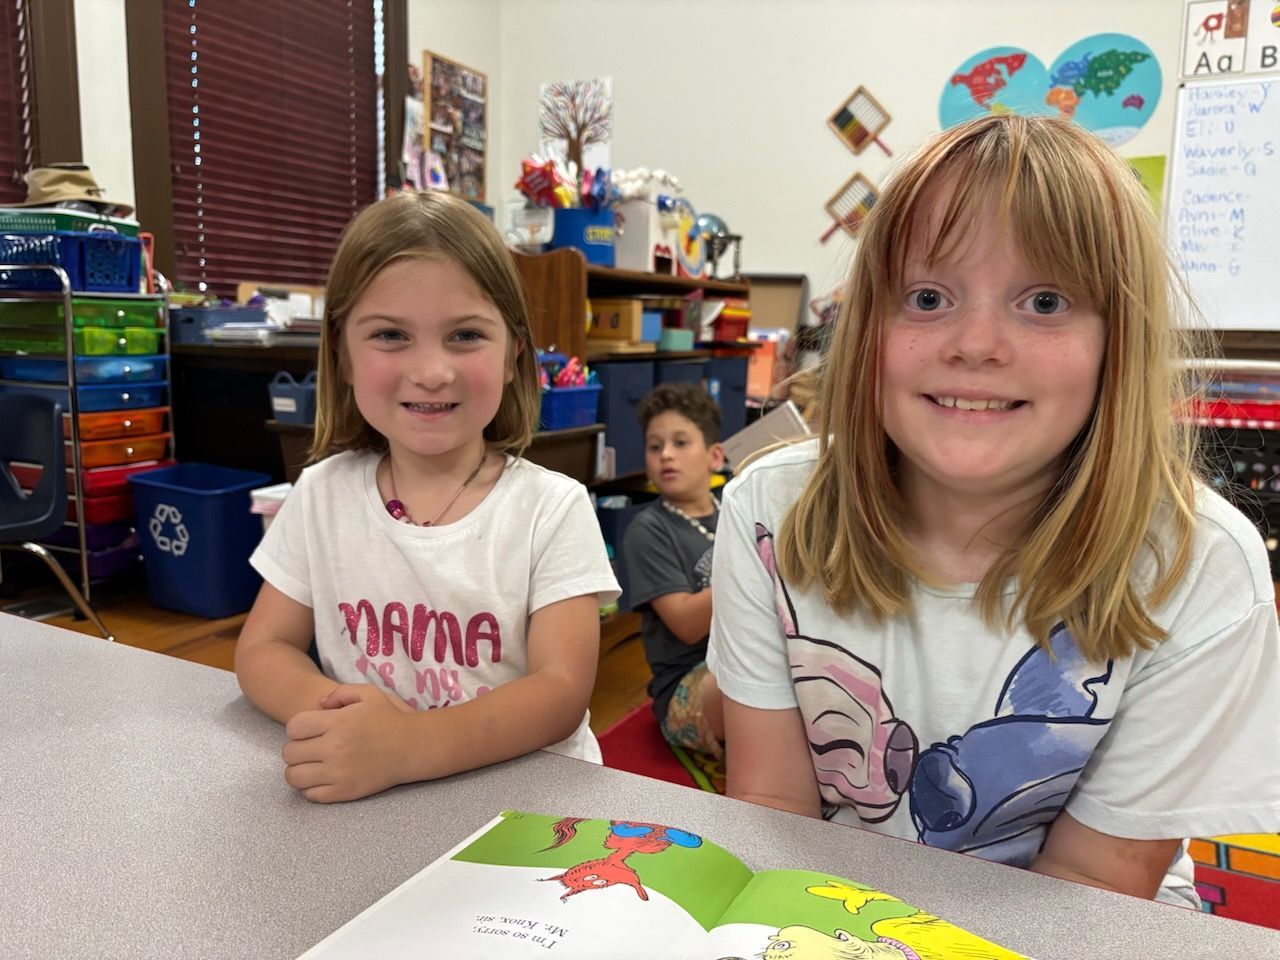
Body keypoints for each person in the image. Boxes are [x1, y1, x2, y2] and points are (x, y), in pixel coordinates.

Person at [707, 114, 1280, 906]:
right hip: (833, 906)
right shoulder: (770, 509)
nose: (976, 343)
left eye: (1044, 300)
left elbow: (1093, 880)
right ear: (868, 329)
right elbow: (773, 808)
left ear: (1119, 340)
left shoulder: (1199, 566)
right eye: (928, 297)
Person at [235, 190, 620, 803]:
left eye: (465, 334)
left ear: (514, 355)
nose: (432, 371)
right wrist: (350, 724)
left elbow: (561, 692)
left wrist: (408, 745)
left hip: (525, 805)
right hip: (373, 796)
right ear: (342, 355)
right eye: (391, 334)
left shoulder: (552, 509)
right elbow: (264, 648)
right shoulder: (321, 494)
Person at [621, 383, 726, 758]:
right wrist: (756, 570)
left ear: (715, 456)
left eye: (680, 443)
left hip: (745, 653)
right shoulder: (647, 530)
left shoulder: (735, 508)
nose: (666, 454)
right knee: (756, 681)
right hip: (689, 684)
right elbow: (686, 623)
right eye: (655, 446)